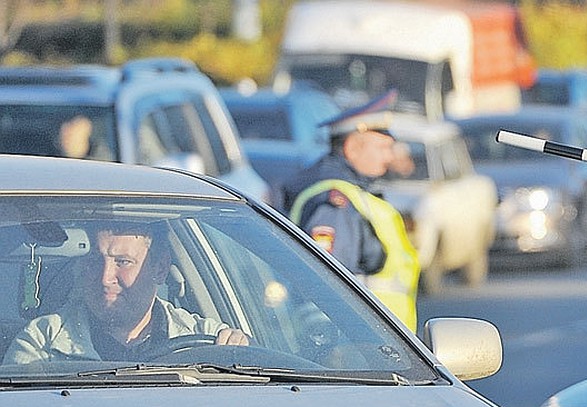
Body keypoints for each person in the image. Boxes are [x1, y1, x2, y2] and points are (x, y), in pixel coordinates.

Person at [5, 222, 249, 364]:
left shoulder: (208, 343)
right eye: (95, 261)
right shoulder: (42, 344)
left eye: (123, 262)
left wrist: (240, 354)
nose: (105, 277)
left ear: (160, 268)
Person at [280, 90, 419, 331]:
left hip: (375, 338)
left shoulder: (355, 193)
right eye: (383, 148)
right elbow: (326, 283)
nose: (389, 158)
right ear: (353, 147)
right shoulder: (335, 201)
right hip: (355, 342)